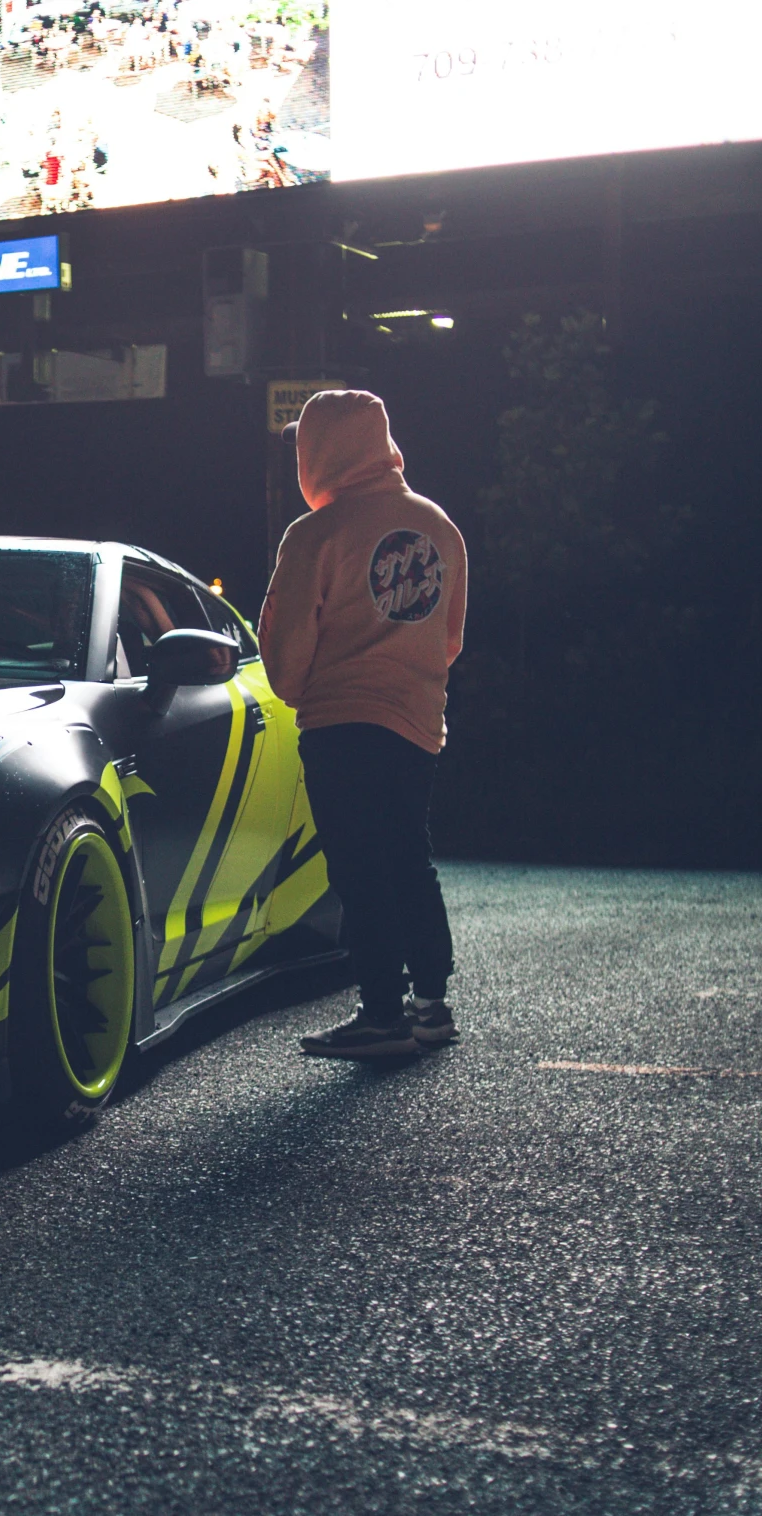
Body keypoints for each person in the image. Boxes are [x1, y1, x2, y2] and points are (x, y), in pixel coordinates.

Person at [257, 390, 468, 1060]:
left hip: (340, 721)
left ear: (321, 452)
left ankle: (381, 1011)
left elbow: (286, 649)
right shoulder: (440, 528)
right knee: (409, 855)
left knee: (358, 865)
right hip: (415, 722)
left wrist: (301, 690)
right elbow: (449, 638)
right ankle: (431, 1005)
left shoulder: (314, 533)